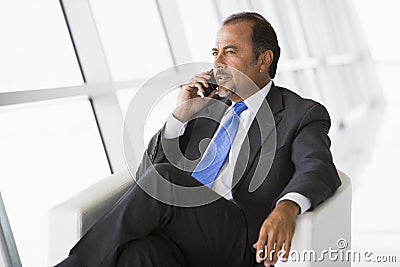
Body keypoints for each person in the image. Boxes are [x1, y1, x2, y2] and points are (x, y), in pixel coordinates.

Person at [56, 12, 341, 267]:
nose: (217, 63)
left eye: (229, 52)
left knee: (166, 178)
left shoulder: (300, 114)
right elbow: (147, 176)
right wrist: (180, 116)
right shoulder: (206, 109)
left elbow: (317, 167)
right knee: (139, 253)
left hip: (240, 240)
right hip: (186, 234)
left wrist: (287, 207)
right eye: (215, 52)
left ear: (264, 60)